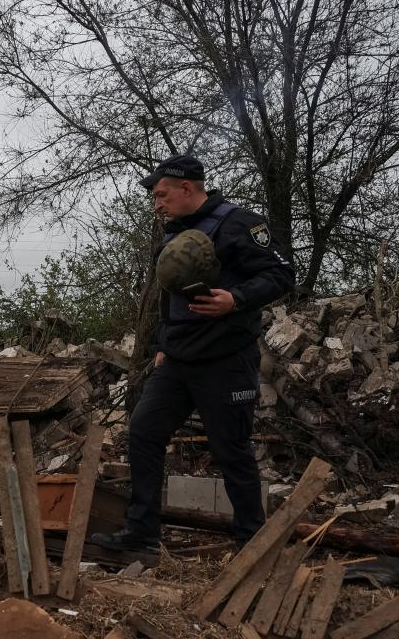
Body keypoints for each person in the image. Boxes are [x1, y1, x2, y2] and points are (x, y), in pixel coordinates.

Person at [90, 154, 295, 553]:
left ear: (188, 188)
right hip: (178, 362)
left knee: (230, 450)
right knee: (144, 433)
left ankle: (251, 545)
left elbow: (282, 274)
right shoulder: (173, 233)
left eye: (162, 194)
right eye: (154, 198)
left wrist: (235, 299)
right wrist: (163, 347)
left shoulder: (240, 223)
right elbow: (168, 302)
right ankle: (141, 535)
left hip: (226, 359)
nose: (157, 203)